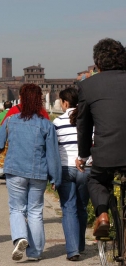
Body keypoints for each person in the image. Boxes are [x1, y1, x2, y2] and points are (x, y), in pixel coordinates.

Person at [0, 83, 61, 261]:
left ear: (21, 99)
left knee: (17, 208)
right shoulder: (47, 125)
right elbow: (53, 155)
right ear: (39, 101)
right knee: (35, 211)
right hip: (38, 172)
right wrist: (55, 177)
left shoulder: (11, 120)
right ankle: (35, 253)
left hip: (15, 170)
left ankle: (20, 237)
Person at [76, 38, 126, 237]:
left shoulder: (88, 86)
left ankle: (103, 215)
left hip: (106, 154)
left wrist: (83, 154)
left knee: (96, 180)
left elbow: (84, 125)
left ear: (97, 62)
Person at [53, 87, 91, 261]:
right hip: (86, 168)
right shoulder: (89, 119)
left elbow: (53, 150)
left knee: (68, 208)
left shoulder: (57, 122)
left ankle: (73, 250)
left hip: (65, 168)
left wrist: (53, 175)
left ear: (65, 102)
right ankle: (81, 245)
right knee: (81, 207)